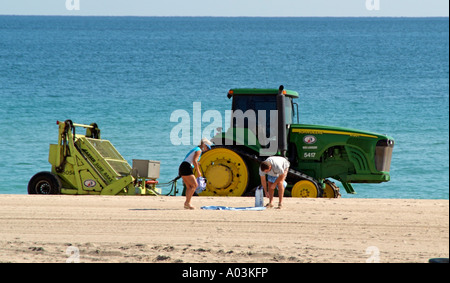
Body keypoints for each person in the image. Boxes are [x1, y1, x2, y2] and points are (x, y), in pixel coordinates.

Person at [179, 138, 212, 209]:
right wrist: (198, 172)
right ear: (203, 145)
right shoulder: (199, 150)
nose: (206, 149)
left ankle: (187, 203)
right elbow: (194, 161)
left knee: (189, 187)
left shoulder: (196, 149)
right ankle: (187, 203)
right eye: (207, 147)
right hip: (187, 167)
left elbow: (191, 160)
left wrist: (196, 163)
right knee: (194, 185)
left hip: (183, 166)